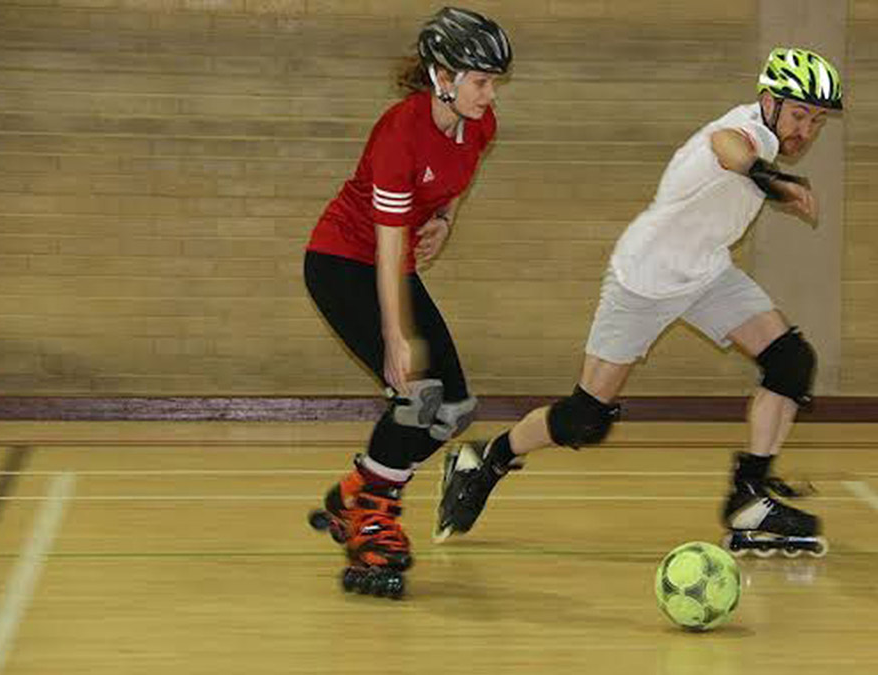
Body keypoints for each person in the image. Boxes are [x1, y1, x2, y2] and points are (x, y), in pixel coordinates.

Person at [435, 46, 843, 558]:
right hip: (644, 279)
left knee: (790, 361)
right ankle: (485, 459)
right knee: (586, 418)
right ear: (769, 100)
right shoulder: (747, 131)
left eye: (817, 121)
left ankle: (749, 495)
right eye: (799, 114)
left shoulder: (766, 135)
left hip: (706, 272)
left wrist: (772, 174)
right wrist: (772, 178)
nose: (805, 130)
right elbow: (727, 148)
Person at [302, 6, 512, 597]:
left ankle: (355, 493)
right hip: (343, 263)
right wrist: (396, 338)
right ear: (441, 76)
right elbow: (388, 245)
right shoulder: (399, 131)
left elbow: (453, 182)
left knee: (455, 409)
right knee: (418, 397)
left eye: (494, 80)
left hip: (392, 265)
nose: (490, 93)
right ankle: (372, 516)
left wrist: (445, 219)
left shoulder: (481, 124)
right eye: (481, 80)